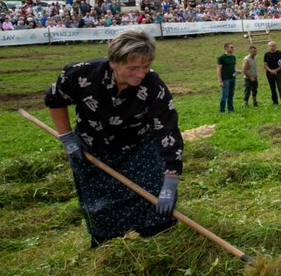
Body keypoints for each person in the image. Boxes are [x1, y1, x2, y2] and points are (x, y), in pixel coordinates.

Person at [44, 28, 184, 247]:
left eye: (146, 66)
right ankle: (108, 249)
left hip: (138, 150)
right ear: (114, 62)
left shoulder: (153, 86)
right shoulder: (82, 74)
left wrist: (171, 178)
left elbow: (167, 130)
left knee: (153, 203)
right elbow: (55, 99)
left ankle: (158, 244)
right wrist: (67, 137)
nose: (141, 74)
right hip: (92, 152)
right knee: (102, 208)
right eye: (133, 68)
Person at [263, 40, 281, 105]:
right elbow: (265, 65)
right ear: (268, 47)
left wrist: (276, 70)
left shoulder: (280, 53)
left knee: (280, 88)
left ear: (275, 46)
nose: (272, 47)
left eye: (273, 45)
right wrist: (271, 71)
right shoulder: (266, 54)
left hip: (278, 73)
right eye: (270, 46)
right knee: (272, 88)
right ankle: (275, 102)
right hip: (269, 74)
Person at [217, 41, 236, 113]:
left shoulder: (233, 57)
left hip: (232, 78)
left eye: (233, 47)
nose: (233, 48)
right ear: (226, 48)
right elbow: (219, 69)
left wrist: (237, 71)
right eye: (231, 47)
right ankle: (222, 110)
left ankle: (230, 109)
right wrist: (220, 80)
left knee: (231, 95)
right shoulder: (221, 58)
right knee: (224, 95)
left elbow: (233, 68)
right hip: (225, 79)